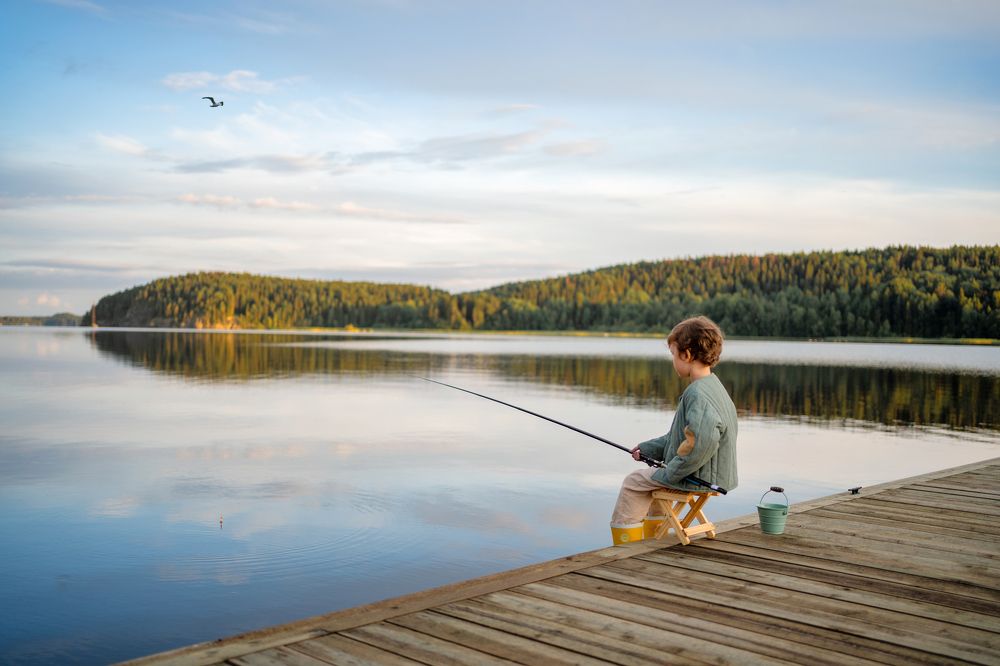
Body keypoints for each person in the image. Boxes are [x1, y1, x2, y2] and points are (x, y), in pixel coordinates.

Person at [610, 315, 738, 544]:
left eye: (673, 354)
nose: (672, 361)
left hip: (697, 477)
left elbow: (701, 443)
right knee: (651, 478)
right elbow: (681, 438)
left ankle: (625, 546)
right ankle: (654, 538)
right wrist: (649, 449)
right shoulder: (714, 387)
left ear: (686, 355)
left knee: (633, 483)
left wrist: (670, 472)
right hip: (708, 474)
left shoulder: (697, 394)